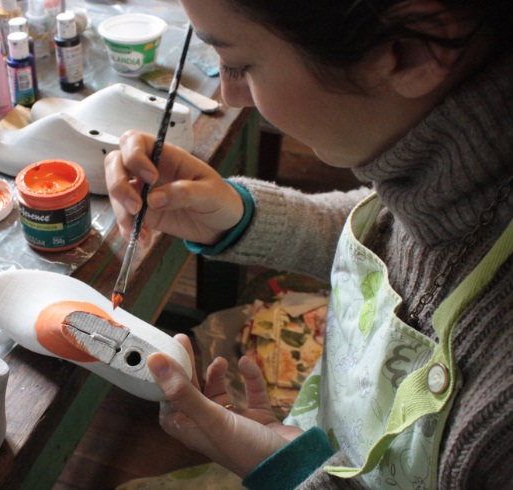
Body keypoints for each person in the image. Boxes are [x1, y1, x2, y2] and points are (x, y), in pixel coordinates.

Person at [104, 0, 513, 488]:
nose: (231, 95)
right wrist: (238, 216)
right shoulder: (468, 181)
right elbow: (401, 230)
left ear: (410, 52)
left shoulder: (500, 421)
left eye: (238, 64)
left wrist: (291, 472)